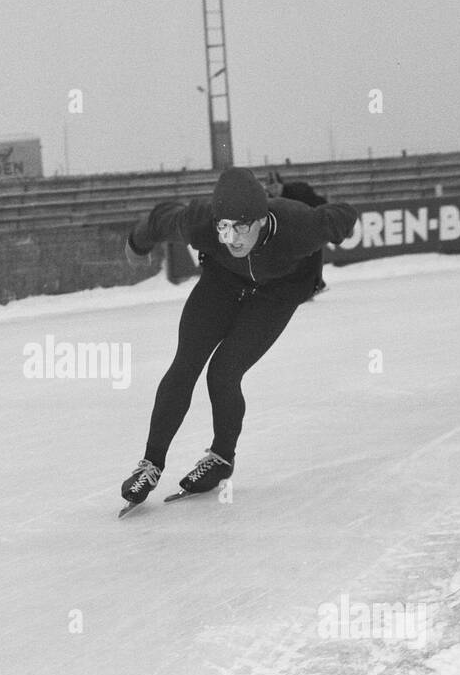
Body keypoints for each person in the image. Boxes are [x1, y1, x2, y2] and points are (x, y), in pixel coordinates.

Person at [120, 167, 358, 506]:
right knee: (186, 362)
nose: (231, 237)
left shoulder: (301, 225)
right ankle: (151, 464)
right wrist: (136, 243)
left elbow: (342, 214)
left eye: (241, 227)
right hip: (223, 280)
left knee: (224, 372)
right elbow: (161, 218)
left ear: (261, 220)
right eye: (224, 227)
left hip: (278, 291)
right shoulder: (201, 222)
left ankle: (221, 458)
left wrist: (341, 228)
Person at [276, 178, 330, 297]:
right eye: (270, 187)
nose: (273, 190)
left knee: (310, 259)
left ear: (281, 185)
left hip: (311, 226)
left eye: (275, 186)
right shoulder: (273, 197)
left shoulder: (297, 192)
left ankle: (315, 286)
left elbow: (316, 204)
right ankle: (313, 286)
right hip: (297, 231)